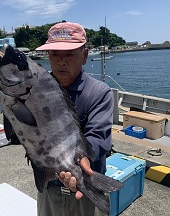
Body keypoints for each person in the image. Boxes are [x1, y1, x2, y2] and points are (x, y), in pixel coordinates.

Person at [35, 21, 114, 216]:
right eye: (55, 54)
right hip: (49, 188)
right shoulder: (36, 91)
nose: (61, 61)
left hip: (87, 188)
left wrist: (82, 158)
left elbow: (97, 136)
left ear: (84, 55)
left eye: (69, 54)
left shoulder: (99, 92)